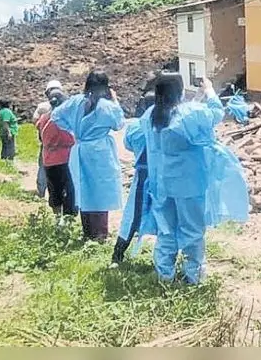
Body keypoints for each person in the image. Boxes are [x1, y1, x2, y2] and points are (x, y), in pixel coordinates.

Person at [139, 73, 249, 284]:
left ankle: (165, 274)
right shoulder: (189, 114)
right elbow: (216, 113)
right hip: (188, 182)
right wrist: (208, 91)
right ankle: (193, 276)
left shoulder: (152, 115)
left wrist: (196, 98)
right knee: (192, 229)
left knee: (166, 229)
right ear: (179, 92)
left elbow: (182, 113)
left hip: (161, 182)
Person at [50, 70, 125, 242]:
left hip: (81, 150)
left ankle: (88, 232)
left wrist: (72, 130)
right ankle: (100, 234)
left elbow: (56, 115)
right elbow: (119, 123)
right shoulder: (106, 106)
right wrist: (115, 100)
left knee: (84, 190)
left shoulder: (76, 101)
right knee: (100, 193)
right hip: (99, 151)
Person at [112, 77, 158, 266]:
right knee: (166, 215)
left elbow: (128, 145)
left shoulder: (136, 126)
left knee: (132, 215)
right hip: (163, 175)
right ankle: (165, 261)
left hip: (142, 176)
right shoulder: (166, 124)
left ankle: (118, 255)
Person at [37, 89, 76, 221]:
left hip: (48, 159)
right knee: (68, 190)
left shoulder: (43, 118)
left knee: (54, 189)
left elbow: (40, 137)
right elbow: (69, 139)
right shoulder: (62, 118)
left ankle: (57, 218)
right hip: (64, 159)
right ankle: (68, 219)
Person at [32, 80, 64, 199]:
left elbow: (35, 121)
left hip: (47, 144)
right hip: (65, 146)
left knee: (43, 167)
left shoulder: (42, 107)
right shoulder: (67, 106)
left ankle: (41, 192)